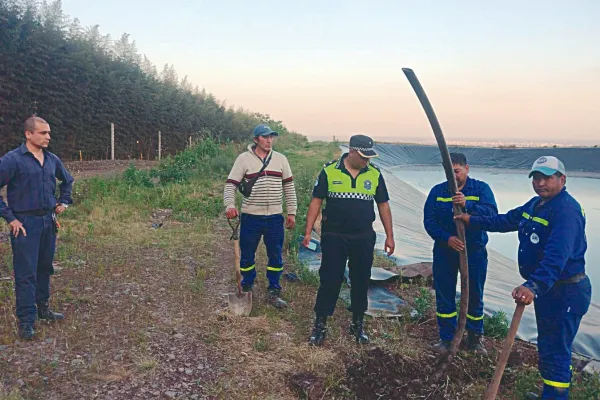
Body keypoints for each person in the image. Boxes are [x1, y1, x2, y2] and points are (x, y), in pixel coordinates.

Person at [455, 156, 591, 399]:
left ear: (562, 179)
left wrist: (533, 286)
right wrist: (472, 220)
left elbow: (556, 257)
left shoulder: (566, 211)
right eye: (536, 178)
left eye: (547, 178)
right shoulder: (536, 204)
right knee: (549, 345)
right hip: (550, 290)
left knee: (556, 348)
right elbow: (506, 220)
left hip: (565, 291)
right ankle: (549, 392)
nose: (540, 183)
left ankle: (555, 396)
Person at [302, 134, 395, 345]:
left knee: (361, 280)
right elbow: (316, 202)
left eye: (370, 157)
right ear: (352, 152)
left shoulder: (375, 174)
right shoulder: (329, 171)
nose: (367, 161)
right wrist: (308, 231)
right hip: (334, 236)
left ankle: (358, 323)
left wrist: (390, 236)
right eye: (363, 157)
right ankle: (320, 324)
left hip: (363, 237)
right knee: (330, 279)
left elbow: (383, 206)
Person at [0, 116, 74, 340]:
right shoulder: (12, 160)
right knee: (26, 273)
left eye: (48, 133)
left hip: (48, 221)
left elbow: (67, 180)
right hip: (24, 224)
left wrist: (64, 201)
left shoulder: (52, 160)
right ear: (28, 134)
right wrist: (10, 218)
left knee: (44, 267)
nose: (48, 137)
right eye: (43, 133)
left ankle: (43, 309)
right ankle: (26, 320)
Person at [423, 152, 498, 355]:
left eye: (456, 171)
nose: (453, 176)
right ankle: (447, 339)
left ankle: (474, 339)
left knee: (475, 293)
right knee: (444, 294)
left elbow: (492, 216)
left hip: (474, 252)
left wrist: (468, 205)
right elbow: (429, 221)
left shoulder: (481, 189)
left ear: (466, 169)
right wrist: (447, 238)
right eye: (449, 171)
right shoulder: (438, 191)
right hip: (445, 252)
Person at [223, 124, 297, 309]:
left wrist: (292, 212)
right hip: (251, 217)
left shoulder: (281, 159)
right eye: (265, 137)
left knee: (275, 256)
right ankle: (247, 286)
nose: (269, 140)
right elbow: (230, 185)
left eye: (271, 137)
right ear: (256, 139)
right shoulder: (243, 159)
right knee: (247, 255)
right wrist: (230, 205)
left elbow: (289, 187)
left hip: (274, 218)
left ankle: (274, 290)